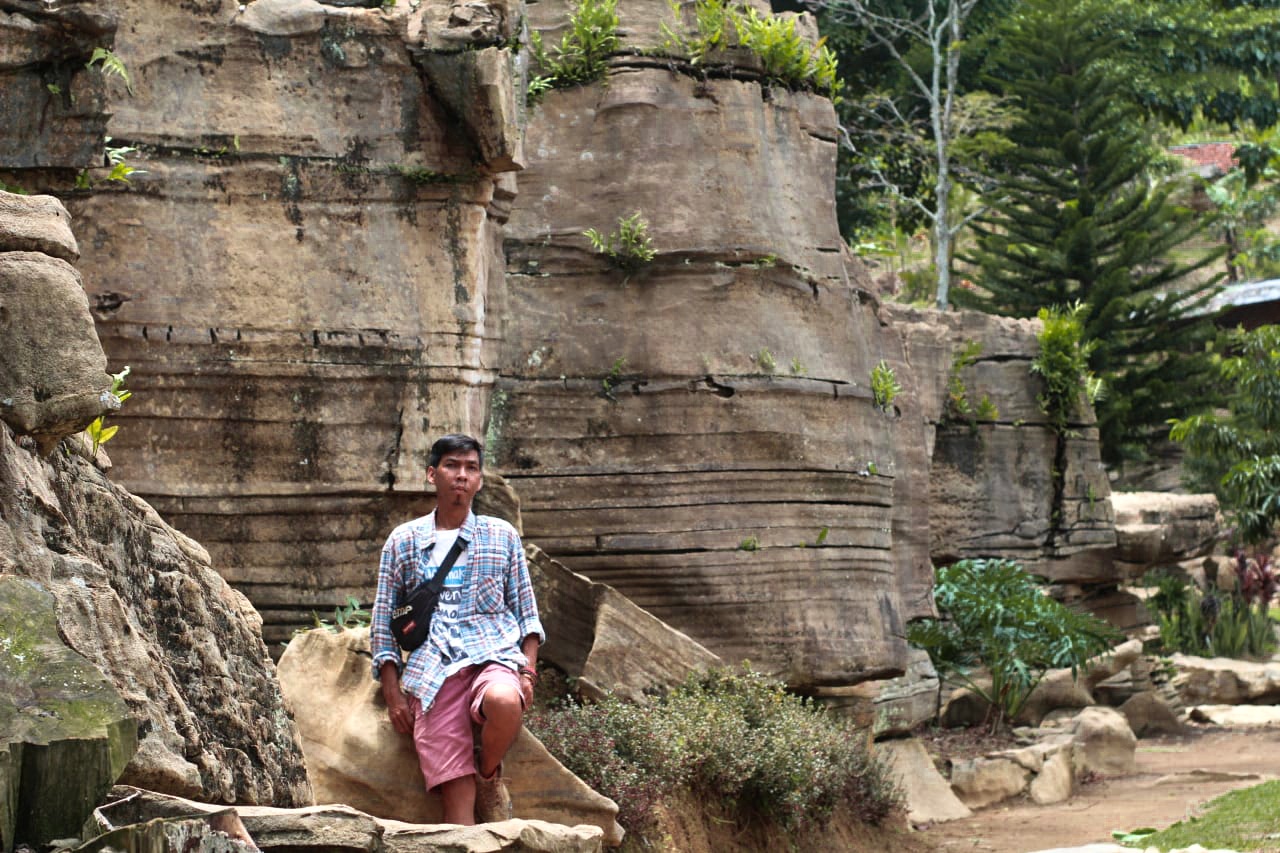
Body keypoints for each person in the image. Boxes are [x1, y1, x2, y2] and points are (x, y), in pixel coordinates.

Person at [370, 433, 544, 824]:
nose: (461, 476)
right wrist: (394, 694)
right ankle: (468, 799)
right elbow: (382, 624)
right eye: (451, 466)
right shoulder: (404, 541)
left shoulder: (502, 537)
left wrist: (528, 672)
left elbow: (527, 616)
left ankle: (488, 777)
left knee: (503, 700)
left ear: (480, 480)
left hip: (492, 655)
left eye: (471, 468)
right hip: (433, 669)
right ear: (433, 474)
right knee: (457, 815)